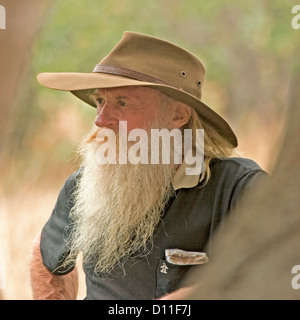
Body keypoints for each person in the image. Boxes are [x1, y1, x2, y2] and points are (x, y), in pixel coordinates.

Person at [30, 31, 267, 300]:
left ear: (178, 115)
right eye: (100, 101)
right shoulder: (88, 182)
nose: (100, 120)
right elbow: (46, 252)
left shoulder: (240, 187)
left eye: (122, 103)